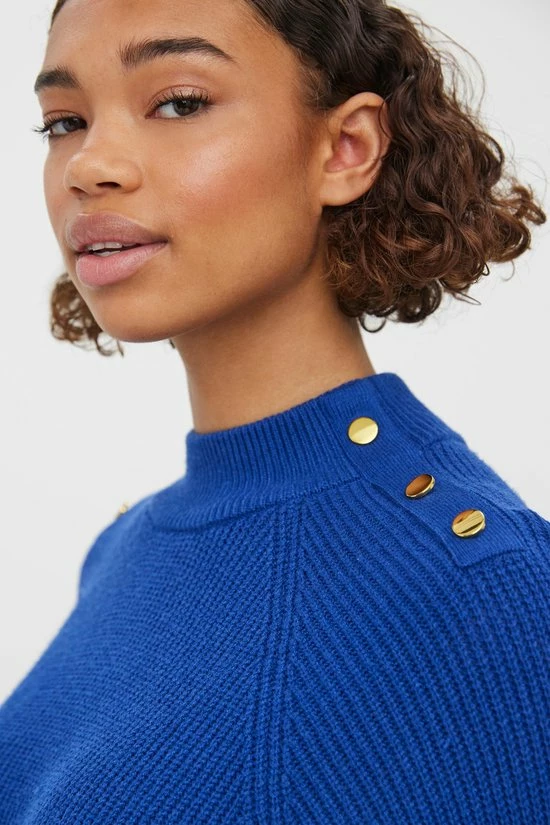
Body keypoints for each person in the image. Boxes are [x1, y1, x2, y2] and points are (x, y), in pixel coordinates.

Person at [0, 0, 548, 822]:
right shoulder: (122, 551)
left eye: (179, 103)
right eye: (64, 122)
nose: (90, 165)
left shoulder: (488, 588)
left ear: (346, 148)